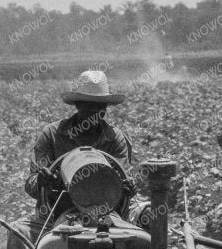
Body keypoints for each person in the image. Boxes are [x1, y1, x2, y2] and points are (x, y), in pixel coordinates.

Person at [24, 69, 138, 229]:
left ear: (105, 108)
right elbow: (31, 183)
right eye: (89, 105)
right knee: (18, 232)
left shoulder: (115, 138)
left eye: (100, 106)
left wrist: (128, 186)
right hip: (54, 214)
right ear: (77, 105)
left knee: (146, 224)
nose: (94, 112)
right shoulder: (52, 134)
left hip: (107, 215)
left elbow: (124, 179)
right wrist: (42, 182)